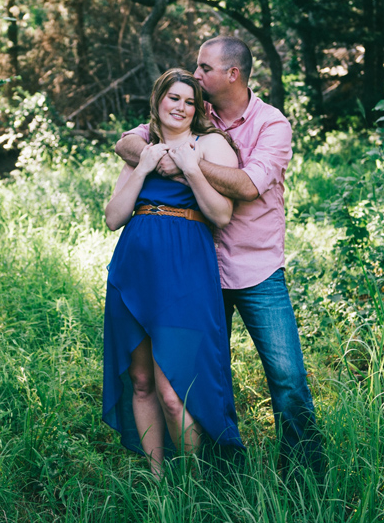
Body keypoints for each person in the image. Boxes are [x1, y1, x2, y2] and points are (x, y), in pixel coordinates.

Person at [115, 37, 325, 475]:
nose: (195, 74)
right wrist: (163, 153)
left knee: (286, 378)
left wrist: (188, 160)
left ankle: (304, 473)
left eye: (204, 67)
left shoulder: (272, 124)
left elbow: (249, 185)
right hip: (196, 268)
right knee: (203, 376)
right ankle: (219, 469)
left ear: (232, 74)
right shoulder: (195, 108)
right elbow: (129, 143)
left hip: (253, 267)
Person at [102, 68, 244, 478]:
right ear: (158, 100)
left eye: (189, 101)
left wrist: (192, 168)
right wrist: (144, 167)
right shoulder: (142, 147)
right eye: (173, 98)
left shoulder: (210, 144)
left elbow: (221, 214)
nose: (180, 107)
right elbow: (114, 218)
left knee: (172, 390)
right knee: (142, 380)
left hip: (184, 275)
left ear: (198, 109)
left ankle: (193, 482)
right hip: (134, 273)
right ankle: (157, 480)